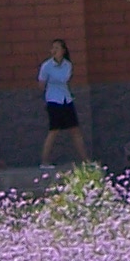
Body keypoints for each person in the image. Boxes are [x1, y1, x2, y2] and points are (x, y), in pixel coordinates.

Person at [37, 38, 86, 167]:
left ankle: (85, 161)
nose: (54, 51)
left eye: (57, 48)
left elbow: (64, 78)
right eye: (52, 48)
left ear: (63, 50)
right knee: (53, 131)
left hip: (66, 99)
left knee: (75, 130)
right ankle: (44, 161)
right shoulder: (46, 66)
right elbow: (41, 84)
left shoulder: (67, 65)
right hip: (53, 100)